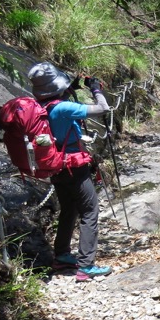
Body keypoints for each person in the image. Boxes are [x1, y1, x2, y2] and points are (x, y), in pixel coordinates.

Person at [28, 62, 113, 281]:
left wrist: (72, 87)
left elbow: (59, 107)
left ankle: (62, 256)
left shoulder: (40, 106)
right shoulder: (64, 108)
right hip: (73, 166)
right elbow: (103, 108)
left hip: (54, 165)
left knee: (69, 209)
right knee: (90, 210)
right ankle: (86, 266)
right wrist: (96, 90)